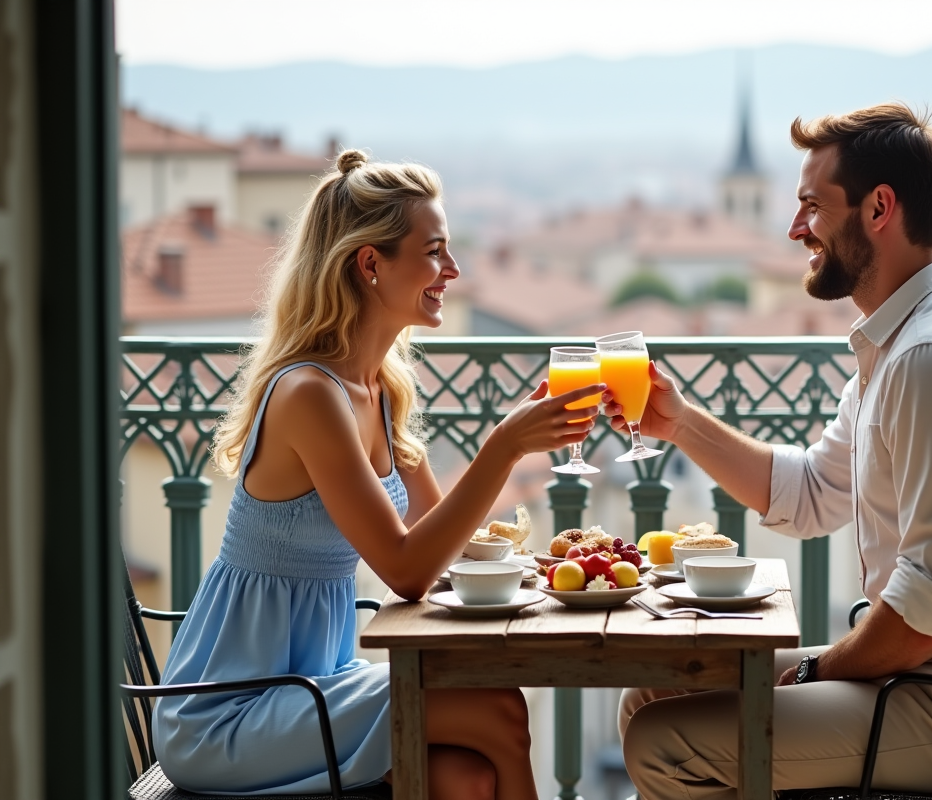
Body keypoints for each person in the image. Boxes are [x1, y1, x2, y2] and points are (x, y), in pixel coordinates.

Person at [607, 104, 932, 798]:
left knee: (665, 740)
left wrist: (815, 672)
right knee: (653, 694)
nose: (796, 228)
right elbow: (810, 495)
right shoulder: (899, 345)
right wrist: (679, 424)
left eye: (813, 206)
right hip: (926, 679)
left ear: (879, 208)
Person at [152, 149, 602, 799]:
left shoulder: (382, 389)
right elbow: (407, 570)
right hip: (230, 712)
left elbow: (442, 544)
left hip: (316, 687)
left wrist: (549, 567)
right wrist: (504, 446)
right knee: (499, 706)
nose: (453, 270)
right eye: (435, 252)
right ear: (370, 264)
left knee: (468, 778)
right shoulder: (310, 394)